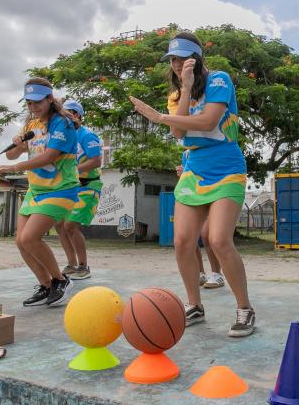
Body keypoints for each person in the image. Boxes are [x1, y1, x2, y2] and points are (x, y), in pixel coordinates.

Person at [130, 32, 254, 337]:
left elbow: (209, 121)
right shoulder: (175, 95)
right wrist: (184, 90)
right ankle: (194, 305)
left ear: (196, 59)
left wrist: (160, 117)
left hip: (226, 169)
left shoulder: (219, 80)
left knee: (219, 240)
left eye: (183, 57)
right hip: (194, 169)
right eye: (172, 59)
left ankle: (245, 308)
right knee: (183, 241)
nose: (176, 64)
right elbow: (178, 134)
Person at [0, 78, 78, 307]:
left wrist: (13, 168)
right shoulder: (31, 126)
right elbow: (12, 155)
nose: (33, 107)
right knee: (21, 241)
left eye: (37, 102)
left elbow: (49, 157)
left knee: (31, 237)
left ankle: (61, 280)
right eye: (29, 103)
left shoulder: (63, 124)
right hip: (36, 190)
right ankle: (46, 285)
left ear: (50, 99)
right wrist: (19, 145)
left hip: (61, 189)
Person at [54, 100, 101, 281]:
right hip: (69, 186)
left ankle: (83, 266)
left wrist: (73, 171)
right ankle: (71, 264)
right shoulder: (63, 135)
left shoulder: (87, 135)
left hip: (88, 185)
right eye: (64, 113)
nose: (67, 116)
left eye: (71, 112)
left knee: (70, 225)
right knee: (58, 225)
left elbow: (96, 161)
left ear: (79, 116)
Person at [176, 156, 224, 289]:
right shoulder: (187, 154)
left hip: (212, 193)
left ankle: (216, 273)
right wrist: (183, 174)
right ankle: (200, 273)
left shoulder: (211, 148)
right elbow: (188, 178)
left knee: (207, 235)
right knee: (188, 237)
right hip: (193, 196)